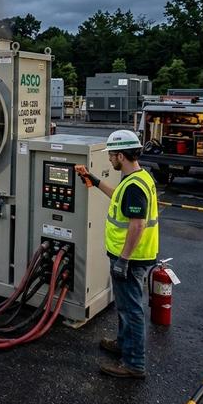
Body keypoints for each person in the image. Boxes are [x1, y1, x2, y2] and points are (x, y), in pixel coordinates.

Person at [76, 129, 159, 379]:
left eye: (112, 155)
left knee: (131, 309)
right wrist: (94, 180)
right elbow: (118, 198)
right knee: (125, 306)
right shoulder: (137, 177)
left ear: (121, 155)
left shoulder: (134, 186)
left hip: (132, 259)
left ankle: (134, 363)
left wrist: (123, 259)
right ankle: (123, 344)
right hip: (132, 256)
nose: (109, 159)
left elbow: (137, 224)